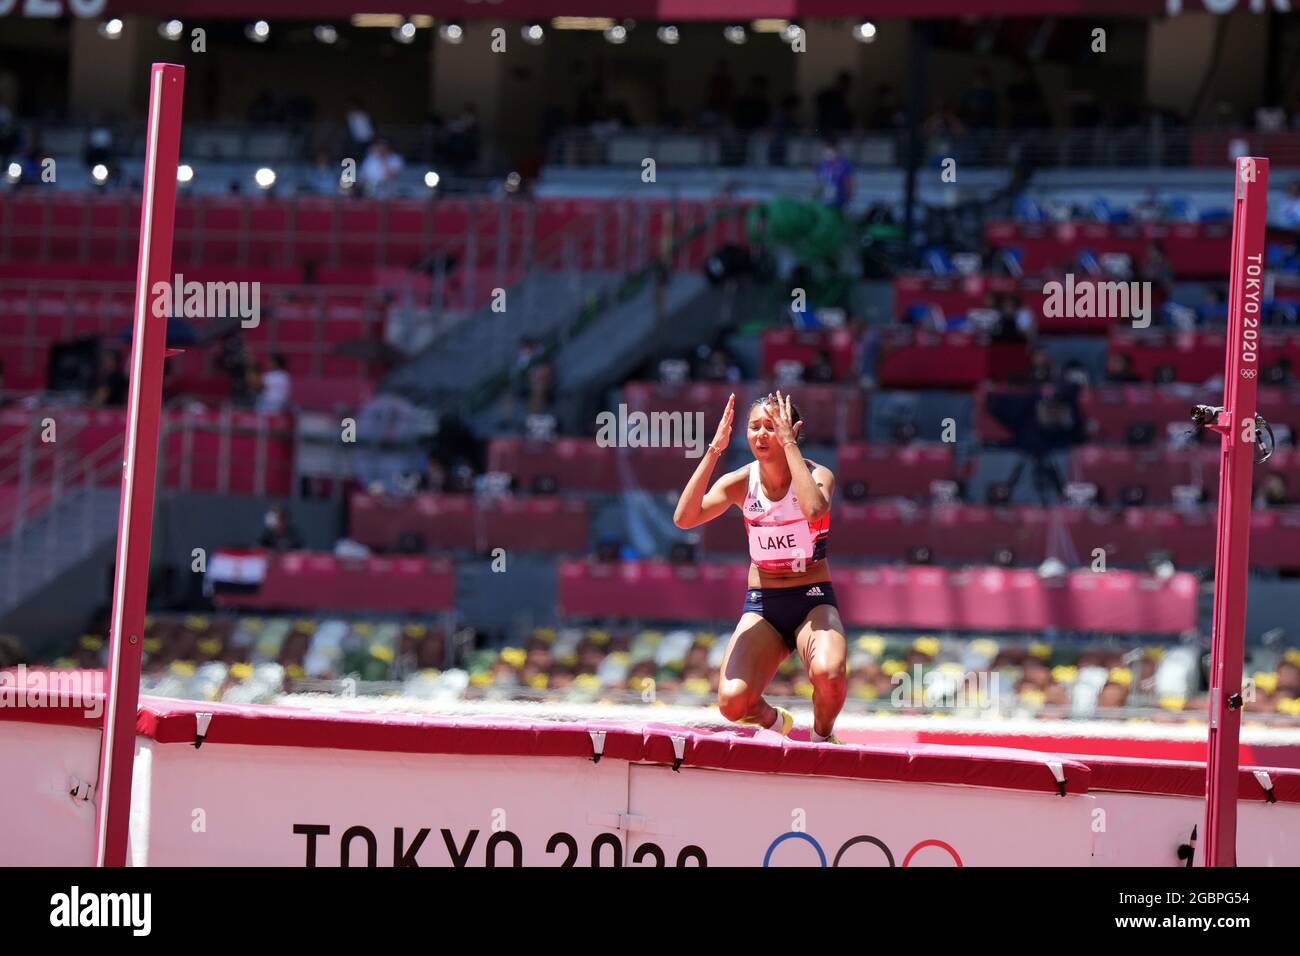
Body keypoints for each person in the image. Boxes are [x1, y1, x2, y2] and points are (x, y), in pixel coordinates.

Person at [672, 392, 847, 743]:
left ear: (792, 431)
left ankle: (822, 738)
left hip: (812, 600)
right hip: (764, 604)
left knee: (829, 675)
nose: (762, 434)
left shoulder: (819, 475)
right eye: (754, 427)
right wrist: (714, 450)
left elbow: (813, 510)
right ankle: (777, 722)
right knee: (732, 704)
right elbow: (685, 518)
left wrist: (790, 446)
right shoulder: (741, 482)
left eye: (772, 426)